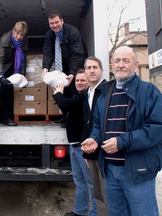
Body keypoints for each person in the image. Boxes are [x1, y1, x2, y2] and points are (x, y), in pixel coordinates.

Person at [81, 46, 162, 216]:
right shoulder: (105, 94)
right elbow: (98, 125)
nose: (121, 65)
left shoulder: (149, 92)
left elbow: (156, 129)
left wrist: (121, 142)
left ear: (136, 65)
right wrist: (95, 139)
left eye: (126, 60)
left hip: (138, 170)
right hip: (110, 171)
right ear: (111, 66)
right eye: (117, 61)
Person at [53, 70, 97, 216]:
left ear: (89, 82)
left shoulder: (84, 97)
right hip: (74, 146)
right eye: (77, 80)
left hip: (82, 147)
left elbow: (65, 105)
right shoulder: (77, 95)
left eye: (82, 80)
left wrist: (58, 92)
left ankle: (95, 213)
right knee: (79, 181)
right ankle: (80, 211)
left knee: (91, 183)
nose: (79, 83)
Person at [43, 9, 85, 127]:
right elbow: (48, 52)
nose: (54, 25)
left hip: (73, 65)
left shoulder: (73, 32)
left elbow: (77, 55)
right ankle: (65, 116)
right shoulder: (49, 35)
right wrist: (45, 68)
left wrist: (72, 73)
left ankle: (73, 119)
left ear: (62, 21)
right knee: (60, 92)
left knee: (72, 92)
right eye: (52, 23)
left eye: (56, 22)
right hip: (59, 67)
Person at [81, 56, 107, 216]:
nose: (91, 70)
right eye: (88, 68)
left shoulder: (106, 91)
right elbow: (88, 123)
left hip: (105, 149)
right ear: (85, 71)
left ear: (101, 70)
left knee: (107, 192)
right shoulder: (87, 93)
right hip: (91, 150)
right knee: (97, 192)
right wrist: (86, 151)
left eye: (95, 67)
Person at [0, 21, 28, 126]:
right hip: (0, 64)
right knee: (5, 90)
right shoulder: (5, 39)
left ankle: (2, 116)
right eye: (17, 33)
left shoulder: (24, 40)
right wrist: (1, 75)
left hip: (13, 65)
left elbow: (23, 58)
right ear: (13, 30)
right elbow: (0, 58)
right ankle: (7, 118)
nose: (19, 37)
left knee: (9, 90)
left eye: (22, 35)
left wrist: (23, 74)